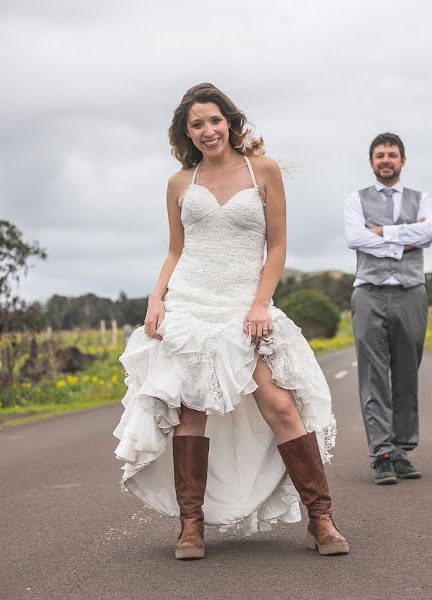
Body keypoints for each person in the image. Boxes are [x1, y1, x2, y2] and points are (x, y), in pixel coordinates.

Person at [113, 83, 347, 559]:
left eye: (214, 120)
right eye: (196, 124)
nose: (207, 130)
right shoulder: (181, 183)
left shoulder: (262, 170)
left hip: (243, 305)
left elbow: (277, 246)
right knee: (190, 410)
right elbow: (176, 250)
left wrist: (261, 304)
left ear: (230, 121)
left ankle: (321, 518)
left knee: (280, 405)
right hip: (191, 305)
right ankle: (191, 526)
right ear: (187, 132)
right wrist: (156, 298)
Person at [344, 132, 432, 485]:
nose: (386, 160)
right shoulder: (356, 199)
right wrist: (404, 239)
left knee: (407, 374)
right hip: (368, 293)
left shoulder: (420, 197)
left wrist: (382, 234)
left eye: (392, 154)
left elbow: (428, 234)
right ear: (371, 162)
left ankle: (401, 450)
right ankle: (382, 454)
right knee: (374, 376)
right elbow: (355, 239)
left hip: (411, 293)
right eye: (380, 155)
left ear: (402, 161)